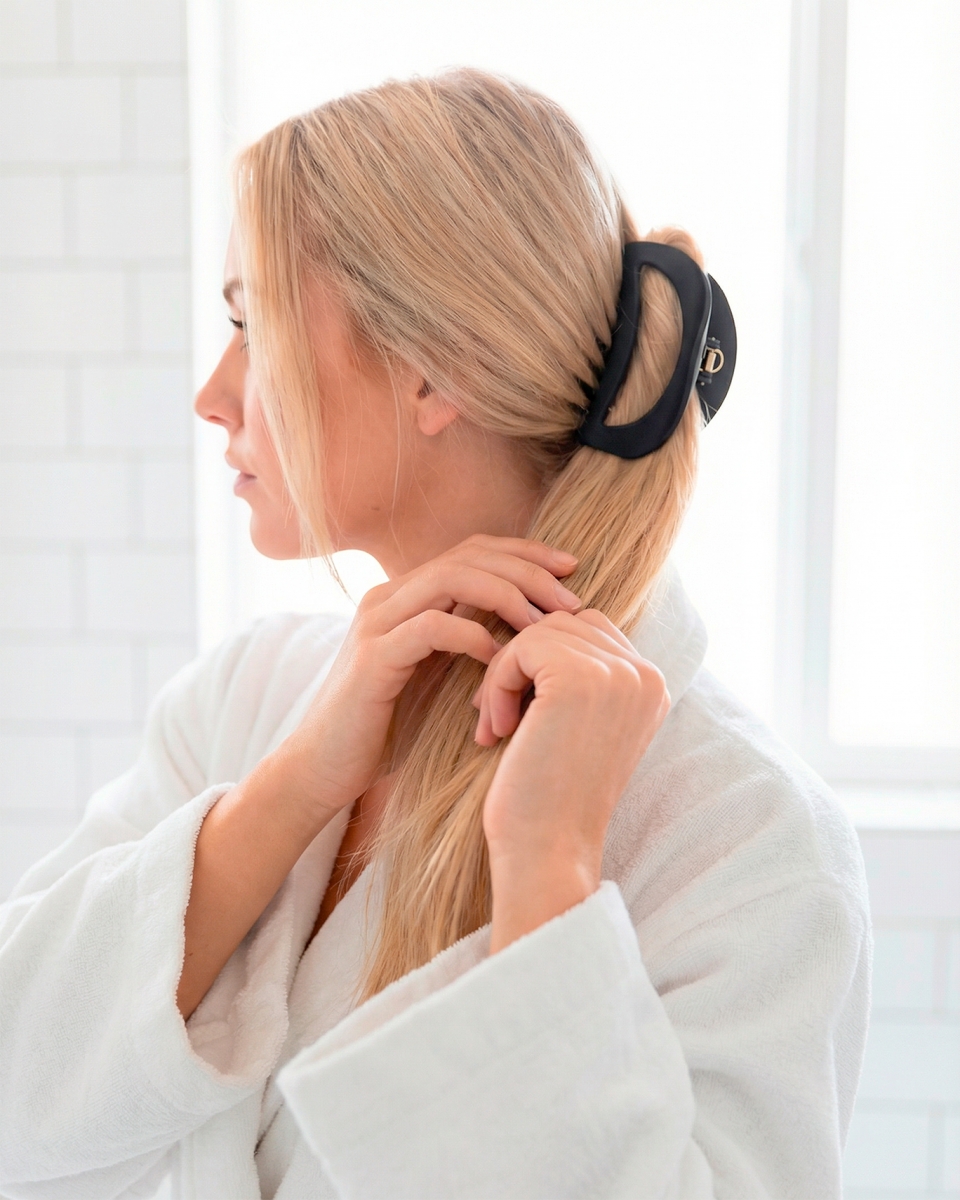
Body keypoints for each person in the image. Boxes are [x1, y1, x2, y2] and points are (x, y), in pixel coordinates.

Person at [0, 68, 870, 1200]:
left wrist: (548, 869)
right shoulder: (248, 701)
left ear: (435, 371)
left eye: (252, 324)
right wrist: (290, 792)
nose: (213, 393)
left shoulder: (745, 836)